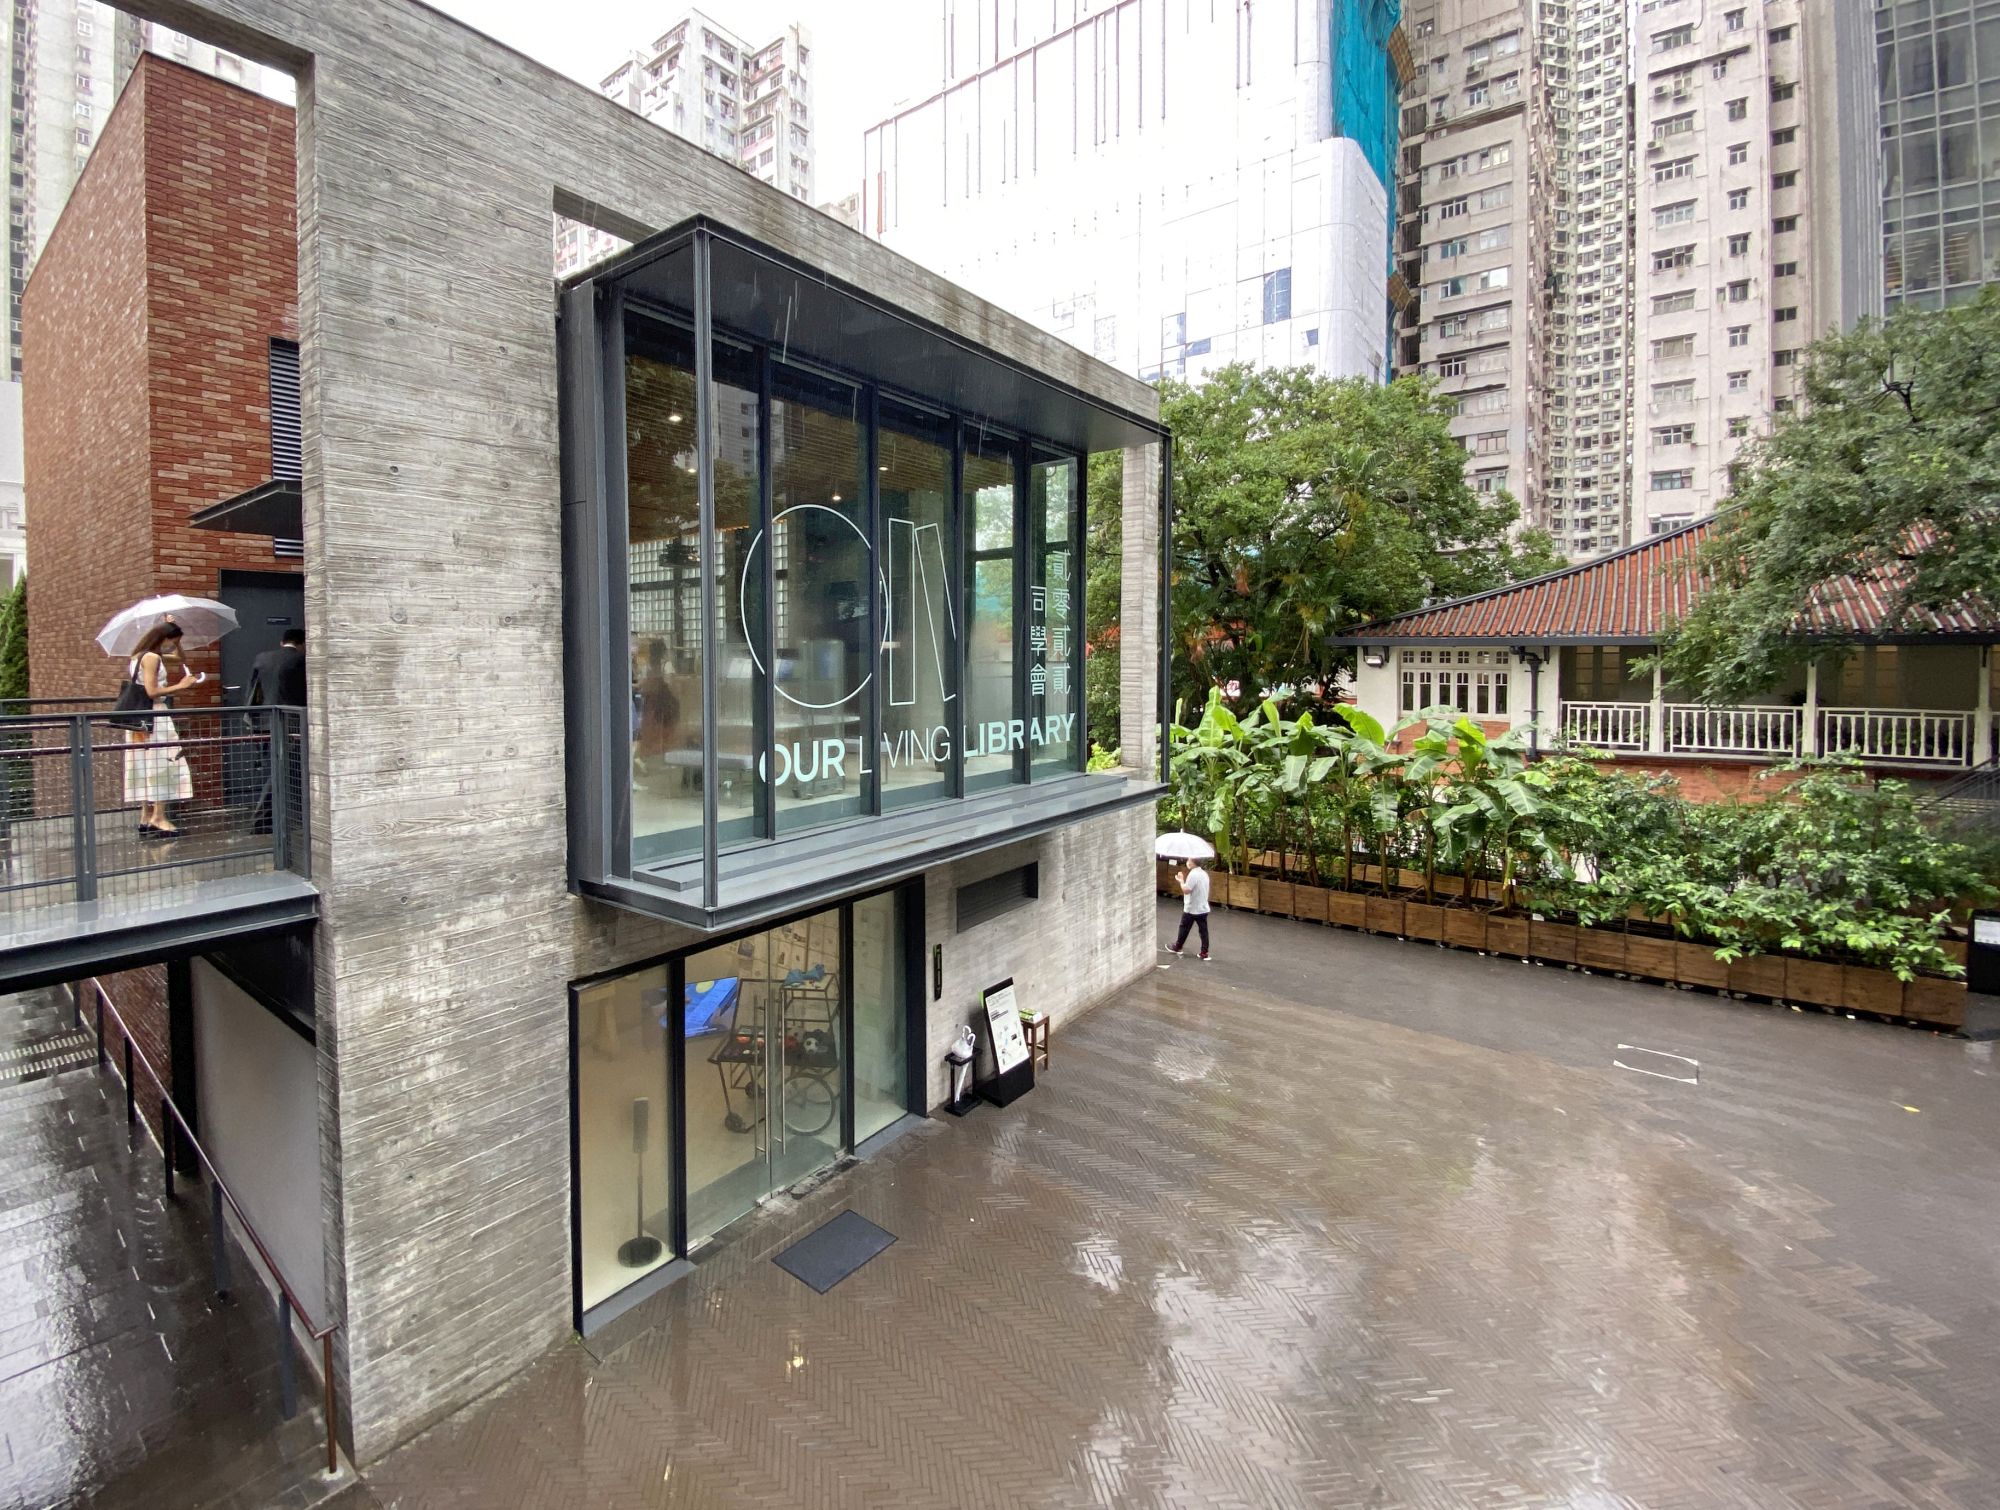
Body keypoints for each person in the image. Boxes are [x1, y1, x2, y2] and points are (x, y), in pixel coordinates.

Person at [124, 620, 200, 837]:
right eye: (172, 642)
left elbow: (180, 658)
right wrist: (181, 685)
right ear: (163, 638)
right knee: (163, 761)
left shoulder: (140, 655)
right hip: (155, 715)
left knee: (143, 764)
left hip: (138, 718)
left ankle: (146, 816)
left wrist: (176, 634)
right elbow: (151, 690)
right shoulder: (153, 658)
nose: (172, 646)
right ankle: (159, 816)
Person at [246, 628, 305, 837]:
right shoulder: (300, 660)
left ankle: (283, 816)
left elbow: (253, 690)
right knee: (280, 771)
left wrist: (251, 718)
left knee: (278, 769)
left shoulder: (262, 658)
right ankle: (262, 820)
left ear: (282, 642)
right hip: (290, 723)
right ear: (301, 643)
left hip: (262, 722)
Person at [247, 627, 307, 707]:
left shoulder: (262, 658)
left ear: (282, 643)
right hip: (293, 712)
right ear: (303, 644)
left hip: (267, 712)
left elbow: (253, 687)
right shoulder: (302, 659)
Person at [1168, 857, 1212, 961]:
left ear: (1192, 863)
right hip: (1203, 907)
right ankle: (1204, 952)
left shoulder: (1193, 874)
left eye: (1189, 860)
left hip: (1192, 907)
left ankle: (1178, 946)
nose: (1187, 862)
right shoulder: (1204, 874)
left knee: (1184, 927)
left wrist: (1181, 881)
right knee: (1203, 931)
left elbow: (1186, 890)